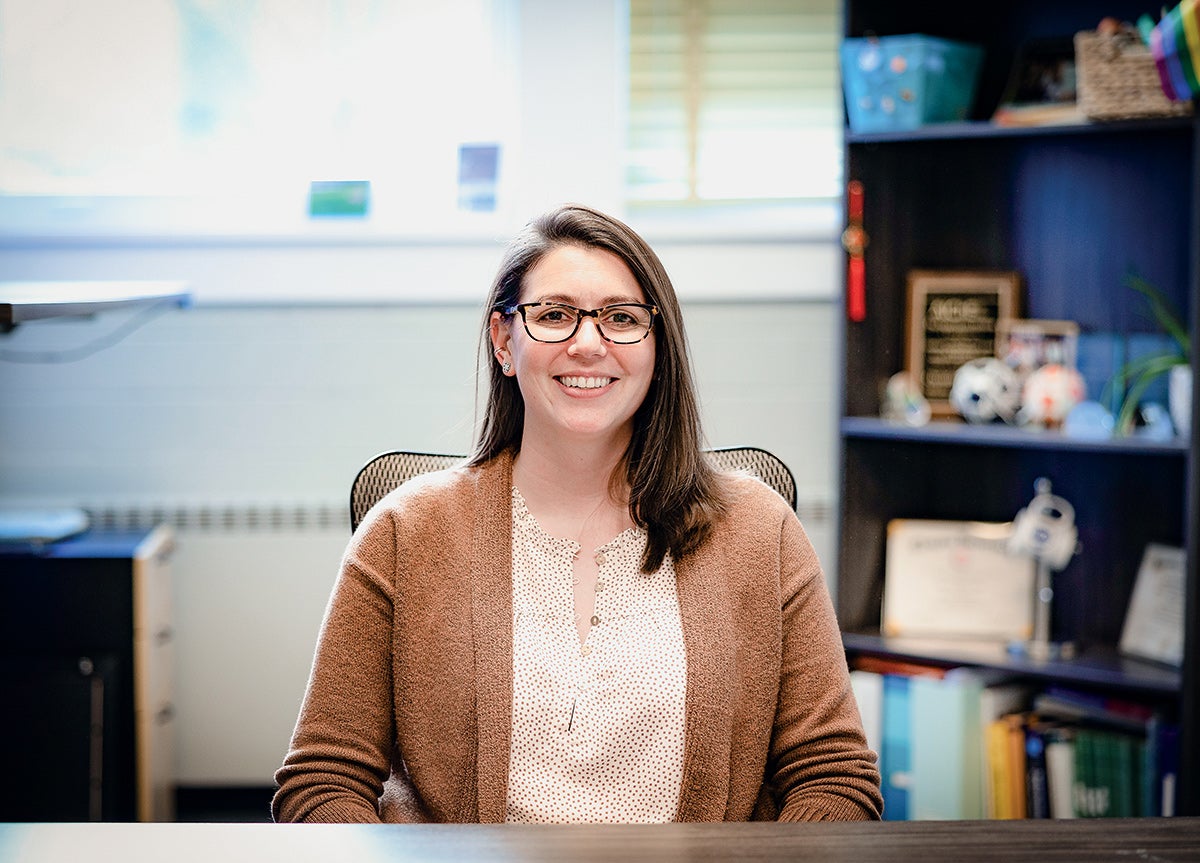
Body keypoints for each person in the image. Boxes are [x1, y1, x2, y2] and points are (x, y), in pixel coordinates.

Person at [272, 204, 882, 823]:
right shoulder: (406, 532)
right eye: (555, 315)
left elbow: (833, 778)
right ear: (505, 341)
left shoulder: (758, 530)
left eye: (620, 318)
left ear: (656, 344)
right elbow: (323, 781)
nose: (587, 343)